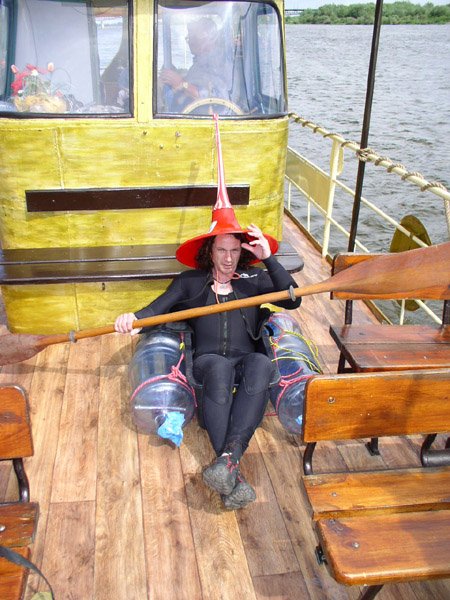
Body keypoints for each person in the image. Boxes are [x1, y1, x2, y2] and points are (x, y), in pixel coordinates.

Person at [115, 115, 301, 510]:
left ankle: (228, 463)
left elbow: (292, 299)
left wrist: (268, 259)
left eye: (235, 250)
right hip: (209, 362)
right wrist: (131, 319)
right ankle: (232, 466)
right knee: (217, 368)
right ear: (209, 251)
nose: (229, 259)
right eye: (222, 250)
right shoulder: (190, 283)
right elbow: (154, 310)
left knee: (261, 365)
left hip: (247, 360)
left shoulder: (253, 281)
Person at [159, 17, 231, 113]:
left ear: (209, 38)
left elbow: (216, 99)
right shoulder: (199, 62)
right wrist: (176, 76)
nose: (190, 42)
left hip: (208, 119)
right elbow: (196, 82)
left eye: (194, 37)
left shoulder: (218, 62)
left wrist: (182, 83)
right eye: (189, 38)